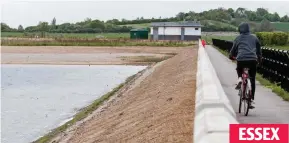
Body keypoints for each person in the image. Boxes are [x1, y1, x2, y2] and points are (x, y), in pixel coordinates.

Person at [229, 22, 262, 109]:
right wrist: (259, 60)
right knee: (252, 79)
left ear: (240, 30)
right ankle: (251, 99)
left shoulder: (238, 38)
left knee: (239, 68)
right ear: (248, 29)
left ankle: (240, 78)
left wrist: (231, 56)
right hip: (252, 60)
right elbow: (259, 51)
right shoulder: (254, 38)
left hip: (241, 60)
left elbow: (232, 51)